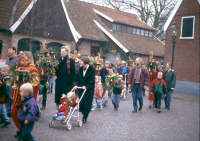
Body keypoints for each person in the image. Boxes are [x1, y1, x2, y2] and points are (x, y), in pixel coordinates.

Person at [11, 51, 39, 139]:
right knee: (14, 113)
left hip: (25, 96)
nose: (22, 57)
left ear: (28, 57)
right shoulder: (18, 66)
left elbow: (34, 83)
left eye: (25, 56)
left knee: (24, 115)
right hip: (17, 96)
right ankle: (21, 130)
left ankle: (24, 133)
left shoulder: (32, 68)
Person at [74, 57, 95, 123]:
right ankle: (83, 113)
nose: (79, 62)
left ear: (85, 61)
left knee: (87, 102)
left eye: (81, 61)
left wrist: (86, 86)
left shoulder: (92, 69)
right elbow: (77, 78)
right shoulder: (80, 69)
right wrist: (76, 84)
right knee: (82, 102)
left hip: (88, 89)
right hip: (81, 89)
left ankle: (85, 116)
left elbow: (92, 80)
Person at [5, 46, 18, 117]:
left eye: (10, 50)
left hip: (14, 81)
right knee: (7, 95)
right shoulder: (7, 59)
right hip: (7, 80)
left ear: (14, 51)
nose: (8, 51)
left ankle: (11, 111)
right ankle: (8, 111)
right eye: (8, 50)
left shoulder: (17, 59)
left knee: (11, 96)